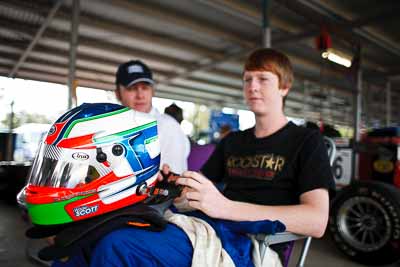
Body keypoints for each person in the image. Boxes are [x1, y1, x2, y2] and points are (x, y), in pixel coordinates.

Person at [54, 49, 333, 266]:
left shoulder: (307, 141)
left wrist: (225, 207)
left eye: (263, 79)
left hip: (252, 245)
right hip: (207, 228)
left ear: (284, 87)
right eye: (248, 79)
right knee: (82, 240)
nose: (253, 87)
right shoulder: (233, 141)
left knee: (117, 246)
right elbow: (197, 189)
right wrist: (173, 181)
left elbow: (317, 221)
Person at [115, 60, 190, 174]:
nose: (140, 95)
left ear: (152, 91)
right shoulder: (110, 125)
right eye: (132, 88)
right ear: (118, 93)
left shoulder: (168, 127)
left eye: (145, 87)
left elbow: (172, 178)